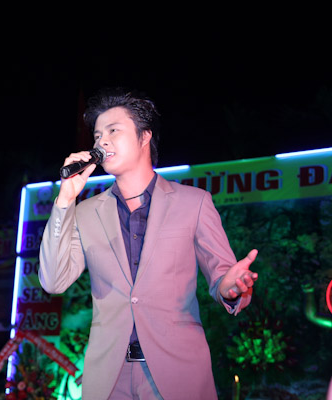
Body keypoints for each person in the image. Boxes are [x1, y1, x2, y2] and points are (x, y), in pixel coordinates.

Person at [38, 88, 258, 400]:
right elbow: (53, 280)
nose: (102, 142)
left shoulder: (193, 202)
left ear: (144, 137)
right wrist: (65, 201)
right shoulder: (85, 213)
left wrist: (230, 287)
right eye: (98, 135)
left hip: (177, 374)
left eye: (113, 131)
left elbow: (222, 275)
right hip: (110, 379)